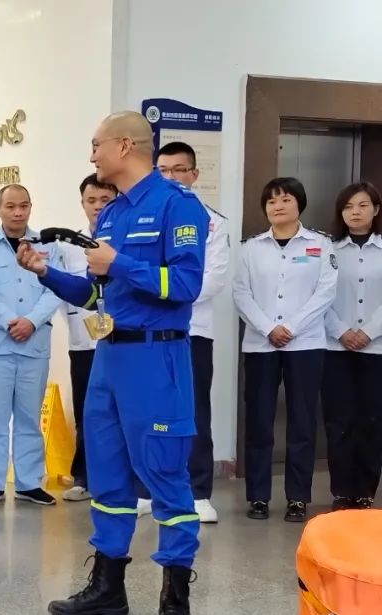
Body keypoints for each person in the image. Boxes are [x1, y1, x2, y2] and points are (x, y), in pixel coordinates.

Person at [17, 111, 209, 615]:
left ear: (125, 146)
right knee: (106, 475)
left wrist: (120, 263)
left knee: (166, 474)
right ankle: (107, 585)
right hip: (109, 358)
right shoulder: (113, 214)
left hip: (156, 358)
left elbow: (186, 284)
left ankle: (175, 597)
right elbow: (94, 294)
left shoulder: (178, 206)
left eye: (96, 145)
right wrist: (45, 273)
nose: (92, 156)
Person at [134, 142, 229, 525]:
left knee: (193, 411)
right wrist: (165, 290)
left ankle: (198, 492)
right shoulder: (145, 216)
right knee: (148, 411)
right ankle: (145, 489)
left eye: (179, 170)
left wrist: (167, 292)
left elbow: (211, 279)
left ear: (194, 174)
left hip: (194, 331)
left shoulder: (212, 222)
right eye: (164, 170)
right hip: (148, 331)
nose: (171, 177)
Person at [233, 177, 336, 523]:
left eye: (285, 199)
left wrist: (290, 327)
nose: (278, 206)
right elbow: (241, 293)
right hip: (260, 345)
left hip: (305, 344)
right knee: (259, 421)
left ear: (299, 204)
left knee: (302, 422)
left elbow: (325, 292)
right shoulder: (251, 248)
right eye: (271, 201)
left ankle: (298, 498)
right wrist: (268, 328)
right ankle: (258, 497)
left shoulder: (320, 244)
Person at [0, 184, 62, 508]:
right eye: (10, 206)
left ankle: (28, 483)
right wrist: (10, 320)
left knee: (29, 417)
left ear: (31, 207)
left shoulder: (47, 246)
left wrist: (31, 321)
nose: (17, 212)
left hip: (34, 343)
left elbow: (55, 288)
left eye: (23, 206)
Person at [324, 181, 382, 510]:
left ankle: (365, 491)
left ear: (376, 209)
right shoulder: (328, 250)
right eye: (348, 207)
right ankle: (342, 491)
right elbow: (319, 295)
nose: (355, 212)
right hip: (336, 348)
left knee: (372, 420)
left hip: (377, 349)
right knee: (339, 421)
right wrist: (342, 331)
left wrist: (370, 331)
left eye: (362, 205)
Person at [60, 174, 117, 503]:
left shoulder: (122, 240)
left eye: (104, 200)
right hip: (83, 341)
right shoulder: (69, 245)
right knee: (86, 411)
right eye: (91, 201)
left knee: (118, 412)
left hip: (119, 340)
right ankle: (83, 476)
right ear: (82, 204)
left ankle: (119, 479)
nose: (97, 206)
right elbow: (62, 289)